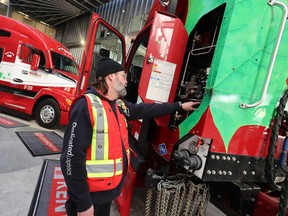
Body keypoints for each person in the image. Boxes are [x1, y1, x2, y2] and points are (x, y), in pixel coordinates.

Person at [60, 57, 200, 216]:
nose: (127, 81)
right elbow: (70, 159)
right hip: (89, 197)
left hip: (106, 193)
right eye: (123, 76)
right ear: (111, 77)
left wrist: (179, 106)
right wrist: (83, 204)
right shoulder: (86, 106)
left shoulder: (118, 105)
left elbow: (145, 110)